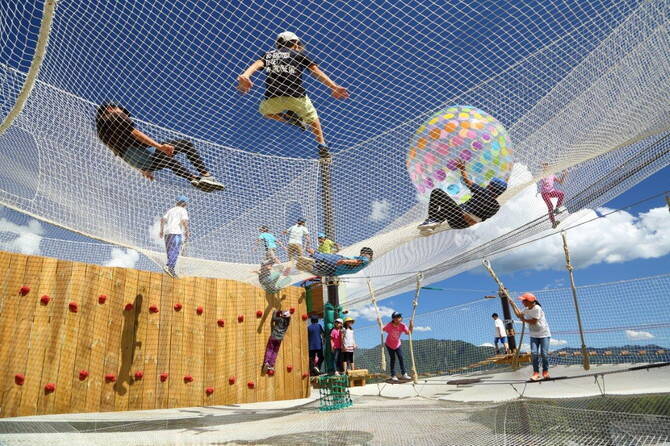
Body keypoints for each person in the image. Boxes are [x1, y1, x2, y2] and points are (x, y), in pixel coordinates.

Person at [237, 31, 349, 154]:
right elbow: (315, 71)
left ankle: (290, 120)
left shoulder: (269, 55)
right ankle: (322, 145)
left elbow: (257, 64)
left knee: (265, 112)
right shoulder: (298, 54)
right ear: (295, 43)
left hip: (273, 98)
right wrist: (333, 86)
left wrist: (246, 75)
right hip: (296, 96)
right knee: (313, 118)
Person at [95, 103, 224, 191]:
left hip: (140, 161)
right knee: (185, 144)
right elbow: (135, 133)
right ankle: (206, 175)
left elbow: (119, 154)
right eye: (122, 111)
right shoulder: (115, 116)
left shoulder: (102, 134)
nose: (125, 115)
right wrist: (160, 146)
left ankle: (194, 179)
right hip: (146, 154)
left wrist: (142, 169)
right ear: (110, 109)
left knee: (167, 160)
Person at [418, 159, 507, 230]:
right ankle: (431, 226)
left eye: (490, 184)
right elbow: (479, 220)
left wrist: (462, 169)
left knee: (437, 192)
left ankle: (432, 220)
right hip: (460, 224)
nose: (488, 184)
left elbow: (467, 182)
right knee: (448, 207)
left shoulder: (484, 193)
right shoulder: (495, 207)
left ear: (491, 187)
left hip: (458, 216)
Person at [509, 292, 552, 381]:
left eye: (524, 300)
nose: (522, 302)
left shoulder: (537, 308)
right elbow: (518, 315)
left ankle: (545, 372)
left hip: (544, 334)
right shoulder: (526, 309)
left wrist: (524, 319)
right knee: (534, 353)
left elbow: (534, 321)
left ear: (529, 301)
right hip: (533, 335)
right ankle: (536, 373)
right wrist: (512, 305)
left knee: (544, 354)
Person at [159, 195, 190, 277]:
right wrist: (187, 231)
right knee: (175, 250)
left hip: (167, 234)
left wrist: (161, 231)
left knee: (170, 251)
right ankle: (169, 267)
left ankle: (170, 269)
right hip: (176, 232)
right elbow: (184, 221)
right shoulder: (183, 210)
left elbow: (162, 220)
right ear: (184, 203)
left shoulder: (171, 210)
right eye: (186, 203)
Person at [296, 247, 373, 277]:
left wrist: (344, 261)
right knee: (319, 271)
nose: (362, 254)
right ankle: (310, 266)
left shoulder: (366, 259)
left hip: (339, 263)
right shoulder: (364, 265)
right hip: (335, 272)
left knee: (326, 257)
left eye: (363, 253)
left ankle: (313, 255)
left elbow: (357, 261)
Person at [383, 312, 413, 381]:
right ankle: (393, 375)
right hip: (389, 344)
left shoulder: (402, 325)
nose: (399, 318)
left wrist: (411, 325)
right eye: (397, 317)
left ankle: (404, 374)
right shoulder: (389, 325)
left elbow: (409, 333)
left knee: (401, 357)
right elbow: (383, 329)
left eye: (399, 317)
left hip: (397, 344)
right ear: (393, 319)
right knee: (393, 359)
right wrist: (379, 323)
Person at [538, 163, 567, 228]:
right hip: (545, 193)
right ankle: (553, 222)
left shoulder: (552, 175)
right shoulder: (543, 175)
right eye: (546, 167)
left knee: (561, 194)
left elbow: (561, 182)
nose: (547, 168)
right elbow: (543, 177)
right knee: (550, 206)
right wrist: (544, 165)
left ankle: (557, 208)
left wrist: (564, 175)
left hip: (551, 192)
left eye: (548, 167)